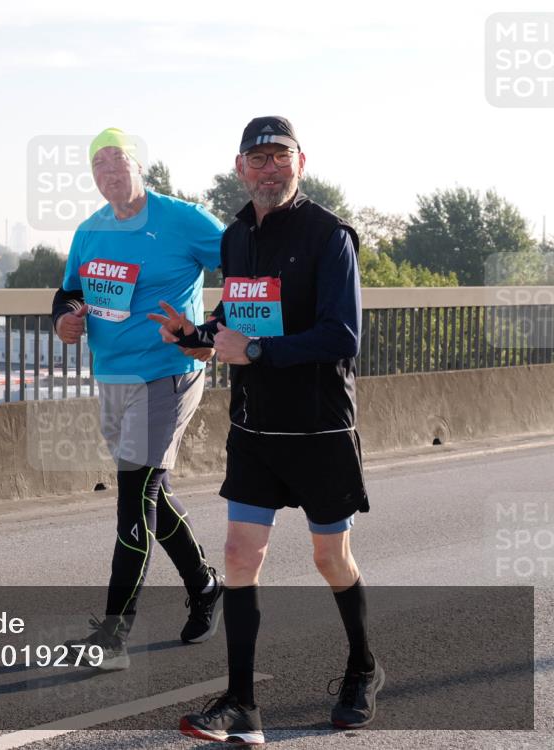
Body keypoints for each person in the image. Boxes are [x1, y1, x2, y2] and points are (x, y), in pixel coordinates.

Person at [151, 116, 384, 744]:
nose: (268, 167)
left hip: (318, 429)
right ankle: (243, 706)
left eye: (279, 156)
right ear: (239, 168)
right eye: (257, 158)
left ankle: (362, 667)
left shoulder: (329, 235)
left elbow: (343, 336)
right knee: (237, 555)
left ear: (300, 162)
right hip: (255, 428)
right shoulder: (234, 240)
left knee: (329, 556)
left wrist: (254, 352)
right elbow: (238, 319)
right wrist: (194, 336)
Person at [52, 128, 225, 670]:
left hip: (168, 373)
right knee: (151, 491)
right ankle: (205, 585)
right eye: (98, 165)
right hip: (113, 377)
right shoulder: (90, 230)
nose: (109, 172)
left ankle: (112, 638)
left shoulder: (183, 219)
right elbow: (71, 291)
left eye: (117, 161)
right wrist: (64, 321)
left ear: (138, 166)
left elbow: (246, 262)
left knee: (133, 498)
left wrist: (210, 330)